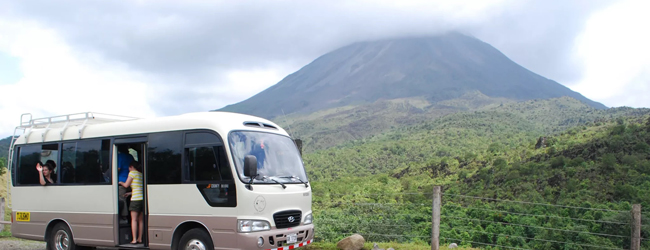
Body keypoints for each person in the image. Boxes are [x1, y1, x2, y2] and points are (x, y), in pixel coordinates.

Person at [118, 161, 143, 244]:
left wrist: (120, 182)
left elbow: (126, 185)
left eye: (129, 168)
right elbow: (138, 188)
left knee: (134, 220)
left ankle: (134, 239)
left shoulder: (132, 173)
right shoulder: (140, 174)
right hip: (142, 199)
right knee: (141, 220)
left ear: (131, 167)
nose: (128, 170)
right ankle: (140, 238)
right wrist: (129, 193)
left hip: (135, 199)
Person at [117, 145, 134, 217]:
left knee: (121, 199)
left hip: (121, 181)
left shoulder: (119, 156)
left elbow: (118, 169)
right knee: (129, 199)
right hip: (130, 181)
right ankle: (130, 216)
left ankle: (124, 217)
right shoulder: (130, 156)